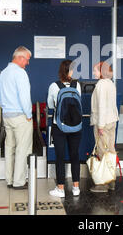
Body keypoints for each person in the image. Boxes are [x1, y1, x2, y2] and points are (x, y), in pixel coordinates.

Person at [0, 46, 33, 190]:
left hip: (7, 116)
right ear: (20, 57)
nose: (27, 63)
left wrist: (7, 107)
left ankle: (10, 180)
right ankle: (19, 182)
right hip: (20, 117)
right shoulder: (20, 73)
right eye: (27, 60)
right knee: (22, 149)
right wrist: (29, 115)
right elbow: (24, 97)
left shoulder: (3, 73)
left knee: (10, 148)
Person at [47, 60, 82, 198]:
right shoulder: (77, 85)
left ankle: (60, 188)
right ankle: (76, 187)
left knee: (60, 156)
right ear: (69, 70)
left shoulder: (54, 86)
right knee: (75, 155)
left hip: (59, 126)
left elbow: (50, 105)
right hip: (76, 126)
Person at [89, 61, 119, 193]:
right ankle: (111, 180)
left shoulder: (100, 85)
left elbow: (101, 106)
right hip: (112, 120)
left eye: (95, 70)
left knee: (102, 152)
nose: (93, 73)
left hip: (104, 122)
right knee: (111, 151)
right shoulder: (111, 83)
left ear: (101, 72)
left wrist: (100, 125)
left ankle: (102, 184)